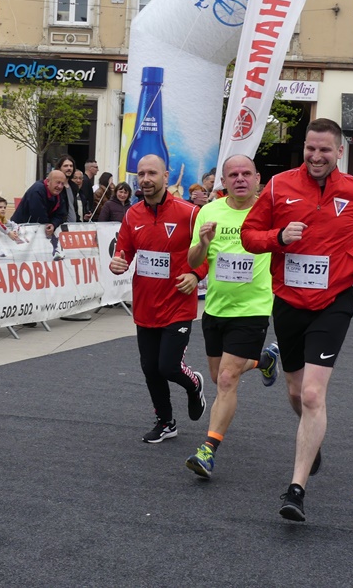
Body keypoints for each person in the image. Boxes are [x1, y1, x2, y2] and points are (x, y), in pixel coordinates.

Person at [241, 118, 353, 522]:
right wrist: (278, 238)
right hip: (289, 302)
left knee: (311, 394)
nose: (316, 156)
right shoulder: (278, 186)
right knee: (295, 392)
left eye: (325, 149)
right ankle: (313, 435)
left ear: (340, 151)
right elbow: (249, 235)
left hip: (334, 301)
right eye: (310, 148)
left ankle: (296, 490)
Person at [184, 155, 274, 479]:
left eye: (246, 173)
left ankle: (208, 450)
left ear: (258, 178)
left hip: (253, 308)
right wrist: (203, 242)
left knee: (226, 378)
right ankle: (263, 360)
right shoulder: (209, 212)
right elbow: (193, 259)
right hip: (216, 309)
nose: (240, 179)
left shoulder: (270, 211)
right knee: (217, 375)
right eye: (233, 174)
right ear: (223, 181)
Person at [109, 154, 208, 443]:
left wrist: (195, 274)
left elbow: (207, 252)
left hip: (178, 304)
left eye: (152, 173)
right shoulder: (132, 215)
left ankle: (194, 384)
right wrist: (118, 263)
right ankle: (166, 422)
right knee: (150, 368)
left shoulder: (189, 213)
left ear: (166, 177)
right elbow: (124, 252)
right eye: (141, 174)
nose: (145, 179)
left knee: (169, 366)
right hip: (145, 305)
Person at [10, 170, 68, 242]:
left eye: (62, 184)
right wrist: (48, 225)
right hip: (21, 231)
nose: (60, 186)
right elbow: (38, 215)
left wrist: (53, 224)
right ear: (48, 181)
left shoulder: (59, 194)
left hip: (38, 233)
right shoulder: (37, 190)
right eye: (58, 182)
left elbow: (62, 215)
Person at [56, 154, 80, 223]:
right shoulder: (56, 186)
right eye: (65, 166)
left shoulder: (74, 186)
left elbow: (74, 208)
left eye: (71, 166)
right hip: (59, 225)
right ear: (59, 168)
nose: (69, 168)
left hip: (73, 226)